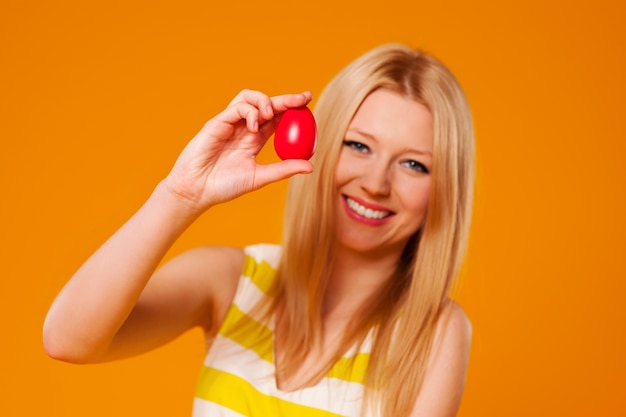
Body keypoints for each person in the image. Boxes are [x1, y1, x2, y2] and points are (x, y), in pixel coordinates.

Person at [44, 43, 475, 417]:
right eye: (358, 145)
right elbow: (68, 340)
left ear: (444, 189)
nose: (376, 184)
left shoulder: (434, 334)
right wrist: (180, 196)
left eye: (414, 165)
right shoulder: (231, 280)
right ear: (319, 146)